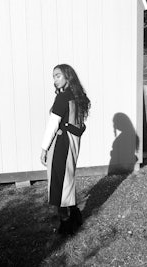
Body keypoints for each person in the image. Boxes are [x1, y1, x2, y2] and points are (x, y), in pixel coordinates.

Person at [40, 64, 91, 236]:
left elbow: (53, 125)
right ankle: (75, 215)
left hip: (62, 144)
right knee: (67, 179)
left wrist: (43, 148)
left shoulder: (63, 98)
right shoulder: (78, 97)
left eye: (58, 75)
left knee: (58, 181)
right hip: (73, 143)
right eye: (53, 76)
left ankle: (66, 223)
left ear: (68, 77)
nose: (55, 80)